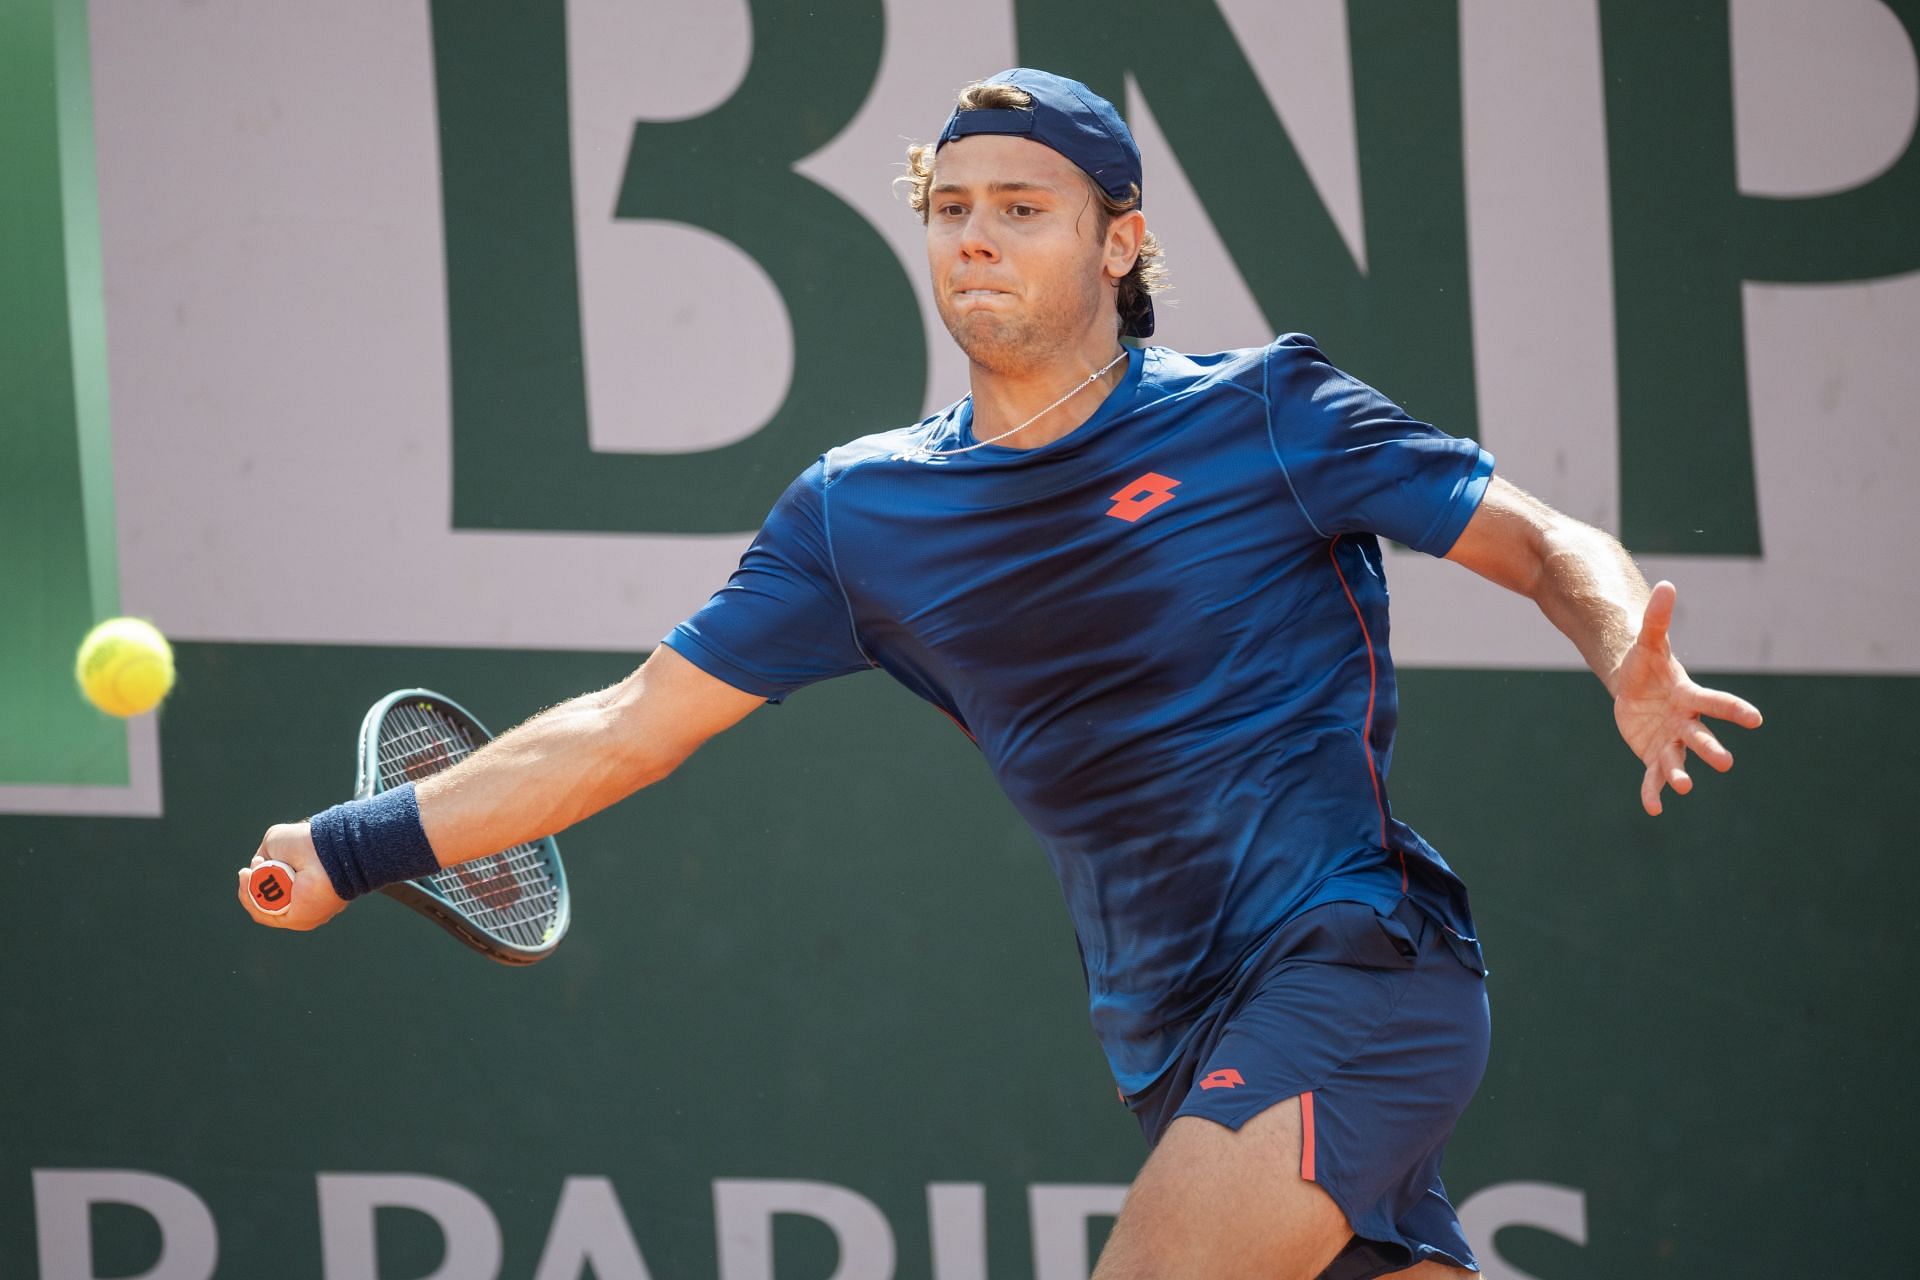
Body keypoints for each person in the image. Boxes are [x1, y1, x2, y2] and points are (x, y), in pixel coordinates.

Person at [238, 69, 1763, 1280]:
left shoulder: (1269, 416)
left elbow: (1542, 537)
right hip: (1174, 1036)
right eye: (951, 204)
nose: (974, 233)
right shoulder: (859, 513)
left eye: (1023, 207)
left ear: (1121, 243)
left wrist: (1618, 637)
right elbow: (629, 725)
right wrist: (354, 847)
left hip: (1356, 973)